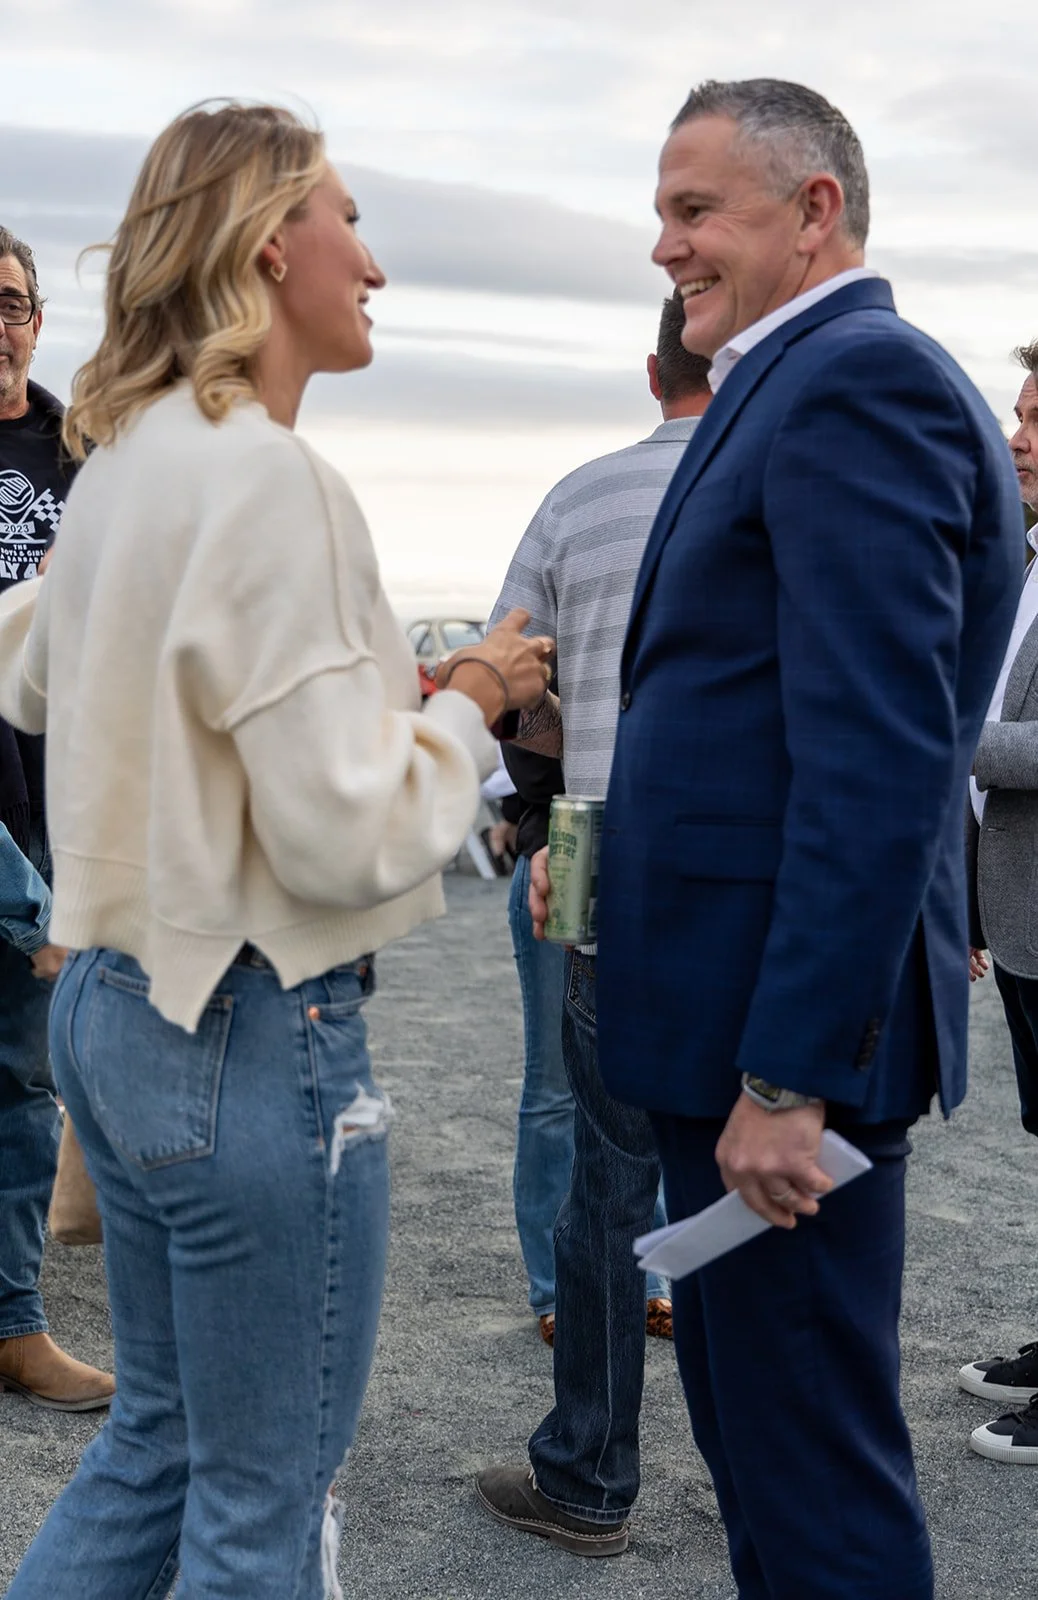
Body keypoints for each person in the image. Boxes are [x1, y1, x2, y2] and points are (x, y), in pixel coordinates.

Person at [0, 101, 553, 1599]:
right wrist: (472, 707)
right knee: (259, 1499)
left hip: (115, 1006)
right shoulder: (270, 477)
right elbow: (340, 826)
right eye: (350, 221)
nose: (372, 263)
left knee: (155, 1449)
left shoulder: (124, 460)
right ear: (268, 245)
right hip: (250, 1021)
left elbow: (31, 676)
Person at [563, 77, 1020, 1599]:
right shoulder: (794, 374)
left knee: (812, 1477)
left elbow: (875, 757)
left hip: (776, 1063)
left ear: (812, 209)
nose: (664, 248)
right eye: (660, 215)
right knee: (763, 1451)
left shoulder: (852, 380)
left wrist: (786, 1075)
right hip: (735, 1037)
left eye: (694, 211)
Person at [476, 293, 712, 1556]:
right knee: (752, 1165)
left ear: (649, 368)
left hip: (602, 835)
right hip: (758, 851)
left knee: (607, 1172)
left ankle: (590, 1477)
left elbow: (513, 688)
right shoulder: (783, 475)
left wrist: (548, 816)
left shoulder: (581, 497)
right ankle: (757, 1475)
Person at [0, 226, 114, 1412]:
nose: (0, 320)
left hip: (45, 804)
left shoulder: (79, 453)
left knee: (24, 1074)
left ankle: (14, 1321)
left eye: (12, 300)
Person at [960, 341, 1038, 1464]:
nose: (1015, 433)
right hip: (1022, 920)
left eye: (1034, 417)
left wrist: (944, 739)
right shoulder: (1022, 557)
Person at [499, 734, 570, 1342]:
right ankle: (554, 1286)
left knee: (639, 1087)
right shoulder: (524, 636)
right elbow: (520, 732)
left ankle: (650, 1279)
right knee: (553, 1086)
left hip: (646, 850)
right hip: (557, 844)